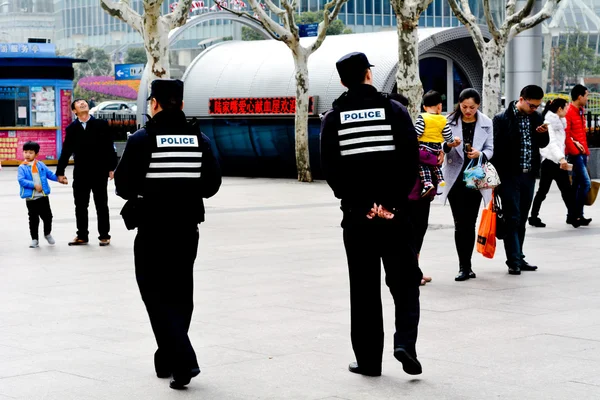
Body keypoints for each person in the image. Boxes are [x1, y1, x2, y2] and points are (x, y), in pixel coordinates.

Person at [114, 79, 222, 390]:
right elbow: (211, 185)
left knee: (154, 294)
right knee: (180, 293)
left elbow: (123, 187)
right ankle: (168, 359)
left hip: (152, 229)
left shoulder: (140, 140)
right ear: (182, 104)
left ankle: (183, 360)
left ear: (155, 104)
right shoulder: (200, 140)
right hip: (187, 228)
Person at [320, 52, 422, 377]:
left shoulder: (332, 120)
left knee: (363, 289)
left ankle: (368, 361)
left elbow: (333, 173)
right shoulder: (395, 111)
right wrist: (389, 205)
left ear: (341, 81)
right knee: (405, 283)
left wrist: (365, 206)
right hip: (395, 216)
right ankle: (405, 342)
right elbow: (410, 163)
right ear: (368, 74)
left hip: (357, 218)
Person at [492, 85, 549, 275]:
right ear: (521, 99)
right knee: (512, 217)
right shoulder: (502, 119)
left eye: (537, 106)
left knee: (522, 217)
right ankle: (514, 260)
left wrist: (543, 133)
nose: (535, 109)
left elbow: (542, 144)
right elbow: (496, 150)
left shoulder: (537, 117)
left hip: (529, 174)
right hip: (509, 175)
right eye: (532, 105)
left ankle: (519, 256)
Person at [440, 89, 494, 281]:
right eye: (464, 107)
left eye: (472, 107)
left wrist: (481, 154)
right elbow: (441, 146)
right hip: (455, 178)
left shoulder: (486, 123)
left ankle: (467, 266)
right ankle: (463, 266)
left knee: (469, 223)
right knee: (459, 224)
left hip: (475, 178)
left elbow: (491, 149)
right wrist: (449, 146)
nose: (468, 110)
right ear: (459, 104)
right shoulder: (448, 121)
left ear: (478, 105)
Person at [56, 99, 117, 246]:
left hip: (99, 171)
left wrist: (111, 167)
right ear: (74, 111)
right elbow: (66, 151)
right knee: (81, 205)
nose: (83, 104)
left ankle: (104, 235)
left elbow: (110, 146)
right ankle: (82, 235)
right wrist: (60, 171)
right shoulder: (72, 128)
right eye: (79, 103)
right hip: (81, 172)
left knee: (101, 204)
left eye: (84, 102)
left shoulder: (101, 124)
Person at [391, 92, 434, 286]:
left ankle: (414, 270)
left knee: (419, 229)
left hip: (421, 191)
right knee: (409, 232)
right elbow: (413, 152)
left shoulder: (410, 125)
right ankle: (410, 272)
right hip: (407, 192)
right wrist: (434, 157)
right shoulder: (394, 127)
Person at [528, 98, 576, 228]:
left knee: (565, 190)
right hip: (550, 162)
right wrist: (561, 158)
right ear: (559, 109)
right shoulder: (549, 123)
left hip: (557, 161)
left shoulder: (559, 122)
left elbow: (561, 141)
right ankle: (533, 216)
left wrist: (574, 143)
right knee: (544, 191)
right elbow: (551, 143)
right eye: (566, 107)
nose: (567, 110)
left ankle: (572, 216)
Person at [18, 141, 65, 248]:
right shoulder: (22, 167)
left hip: (43, 196)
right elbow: (21, 180)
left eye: (30, 152)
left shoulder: (41, 165)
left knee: (48, 216)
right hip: (31, 198)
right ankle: (34, 239)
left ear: (36, 154)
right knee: (33, 219)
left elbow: (50, 174)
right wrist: (34, 185)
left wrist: (59, 179)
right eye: (25, 152)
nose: (27, 155)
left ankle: (47, 233)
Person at [414, 90, 460, 196]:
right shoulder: (443, 120)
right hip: (436, 150)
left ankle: (427, 183)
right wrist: (453, 141)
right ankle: (440, 181)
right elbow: (448, 136)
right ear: (439, 106)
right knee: (435, 166)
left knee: (422, 164)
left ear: (424, 107)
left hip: (424, 149)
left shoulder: (422, 117)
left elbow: (417, 133)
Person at [565, 84, 592, 227]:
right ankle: (577, 215)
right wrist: (576, 151)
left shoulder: (580, 111)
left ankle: (573, 215)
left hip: (582, 154)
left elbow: (581, 135)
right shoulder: (569, 111)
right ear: (580, 96)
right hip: (576, 155)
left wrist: (586, 152)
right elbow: (566, 135)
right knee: (586, 183)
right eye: (586, 95)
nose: (588, 98)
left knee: (576, 185)